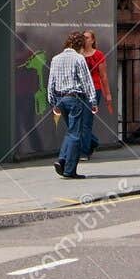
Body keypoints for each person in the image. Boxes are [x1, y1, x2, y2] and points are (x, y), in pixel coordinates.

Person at [47, 32, 97, 179]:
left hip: (61, 100)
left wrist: (53, 103)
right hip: (75, 99)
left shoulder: (56, 59)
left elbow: (51, 83)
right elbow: (86, 81)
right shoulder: (78, 58)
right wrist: (93, 101)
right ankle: (69, 170)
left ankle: (62, 160)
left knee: (71, 132)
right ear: (80, 45)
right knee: (76, 135)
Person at [80, 30, 112, 160]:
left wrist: (108, 94)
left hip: (94, 90)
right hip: (80, 90)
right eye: (83, 37)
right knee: (79, 121)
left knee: (87, 121)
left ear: (93, 40)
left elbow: (103, 76)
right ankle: (93, 142)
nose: (85, 39)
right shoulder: (78, 54)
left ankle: (84, 152)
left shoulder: (98, 55)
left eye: (87, 38)